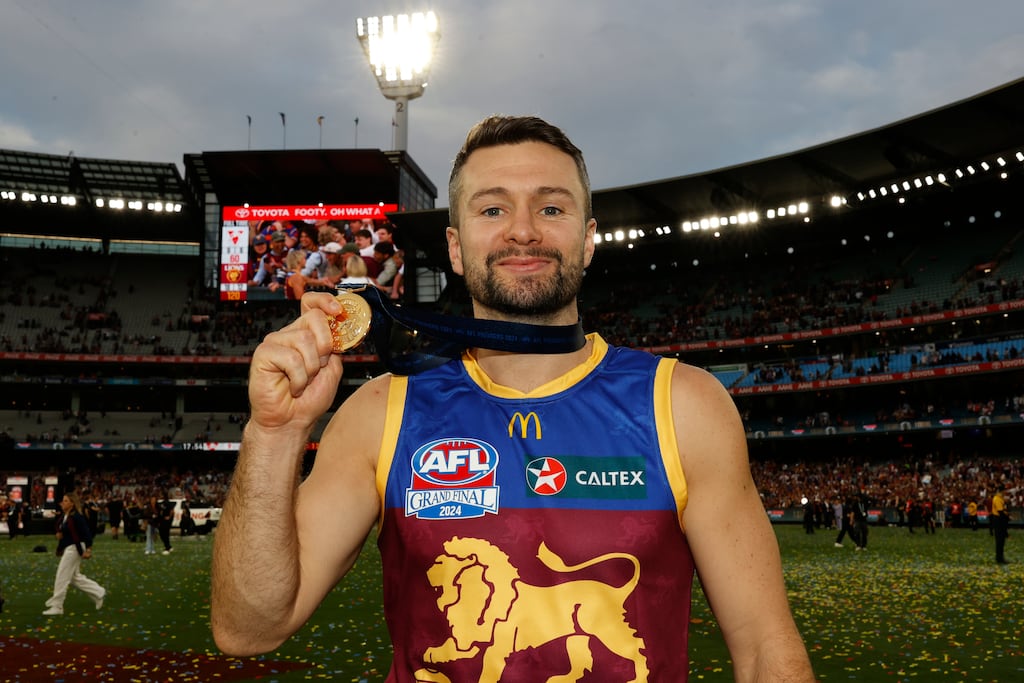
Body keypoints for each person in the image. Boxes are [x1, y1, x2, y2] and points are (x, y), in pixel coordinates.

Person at [211, 115, 815, 681]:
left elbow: (765, 647)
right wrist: (275, 432)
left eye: (551, 207)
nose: (522, 229)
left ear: (587, 240)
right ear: (454, 246)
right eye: (493, 208)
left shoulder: (683, 406)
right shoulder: (381, 414)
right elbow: (247, 627)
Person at [43, 491, 106, 615]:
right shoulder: (65, 517)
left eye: (66, 501)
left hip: (75, 548)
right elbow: (64, 532)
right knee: (74, 578)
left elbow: (86, 533)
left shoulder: (77, 516)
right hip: (70, 547)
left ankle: (57, 606)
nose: (62, 503)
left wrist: (88, 549)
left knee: (62, 576)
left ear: (72, 504)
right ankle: (98, 592)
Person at [992, 485, 1010, 564]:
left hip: (1000, 520)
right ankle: (999, 558)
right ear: (1002, 491)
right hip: (998, 520)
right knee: (999, 540)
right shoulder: (997, 499)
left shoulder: (1000, 498)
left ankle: (1000, 557)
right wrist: (1007, 517)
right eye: (1005, 490)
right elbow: (1000, 511)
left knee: (1001, 540)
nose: (1006, 492)